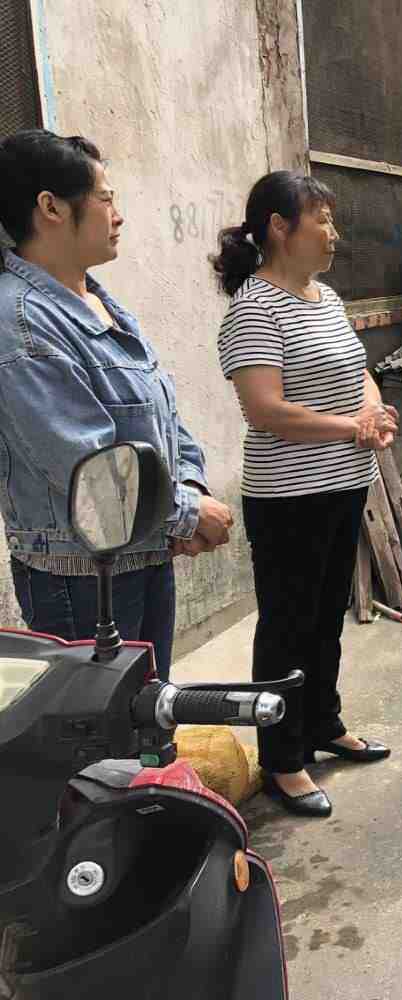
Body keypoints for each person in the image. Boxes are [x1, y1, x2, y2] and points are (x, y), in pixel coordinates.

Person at [0, 130, 233, 680]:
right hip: (83, 578)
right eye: (105, 198)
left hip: (144, 554)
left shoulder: (99, 303)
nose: (118, 214)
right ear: (51, 207)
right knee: (100, 727)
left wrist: (191, 487)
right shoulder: (21, 322)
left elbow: (163, 414)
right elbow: (85, 466)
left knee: (147, 712)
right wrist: (187, 512)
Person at [214, 170, 395, 818]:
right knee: (287, 626)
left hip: (344, 484)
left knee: (325, 618)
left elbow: (358, 370)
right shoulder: (254, 308)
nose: (333, 232)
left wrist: (374, 413)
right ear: (279, 228)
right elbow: (265, 410)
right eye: (321, 220)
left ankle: (323, 722)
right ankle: (282, 758)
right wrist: (351, 427)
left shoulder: (326, 298)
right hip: (288, 498)